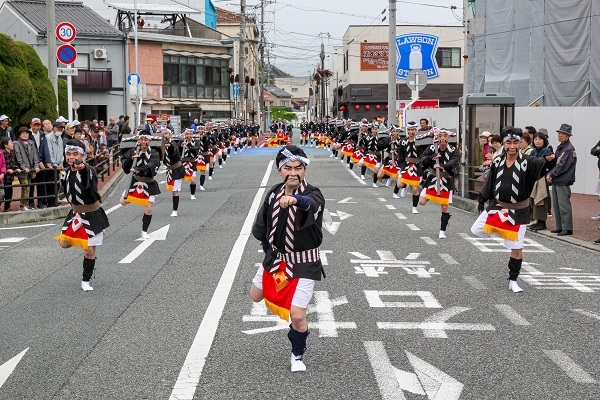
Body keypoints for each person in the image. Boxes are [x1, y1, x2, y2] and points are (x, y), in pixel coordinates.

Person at [249, 145, 325, 373]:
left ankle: (297, 355)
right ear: (280, 171)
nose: (293, 172)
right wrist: (265, 246)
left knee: (298, 316)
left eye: (298, 168)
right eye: (288, 168)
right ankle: (281, 298)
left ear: (305, 170)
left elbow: (311, 205)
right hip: (276, 259)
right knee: (255, 296)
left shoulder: (313, 193)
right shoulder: (273, 192)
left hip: (304, 262)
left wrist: (294, 200)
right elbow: (263, 224)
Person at [471, 127, 550, 293]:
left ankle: (513, 280)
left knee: (516, 249)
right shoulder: (498, 160)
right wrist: (481, 199)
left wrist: (551, 160)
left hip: (518, 211)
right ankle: (502, 230)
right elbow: (490, 182)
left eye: (516, 142)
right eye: (509, 142)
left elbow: (544, 166)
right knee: (476, 230)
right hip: (498, 207)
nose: (512, 146)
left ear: (520, 143)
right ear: (504, 144)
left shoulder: (528, 161)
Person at [54, 139, 110, 291]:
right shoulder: (65, 173)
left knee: (89, 250)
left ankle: (85, 280)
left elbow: (88, 182)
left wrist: (83, 168)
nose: (72, 157)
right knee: (64, 243)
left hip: (92, 214)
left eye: (75, 154)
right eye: (69, 154)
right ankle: (77, 237)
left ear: (83, 155)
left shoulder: (89, 169)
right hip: (75, 213)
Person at [119, 128, 161, 239]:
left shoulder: (154, 152)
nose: (143, 142)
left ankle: (144, 231)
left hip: (148, 182)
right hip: (136, 181)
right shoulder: (133, 151)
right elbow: (125, 163)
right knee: (122, 202)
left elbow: (153, 164)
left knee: (148, 208)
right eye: (141, 139)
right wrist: (130, 160)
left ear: (149, 141)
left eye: (145, 140)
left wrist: (139, 169)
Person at [419, 128, 460, 238]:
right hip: (433, 178)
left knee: (445, 207)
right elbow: (423, 158)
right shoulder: (432, 148)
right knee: (421, 202)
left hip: (446, 180)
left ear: (448, 137)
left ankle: (442, 230)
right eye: (440, 136)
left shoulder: (453, 150)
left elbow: (454, 162)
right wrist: (432, 158)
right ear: (437, 137)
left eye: (445, 136)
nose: (442, 138)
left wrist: (443, 166)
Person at [546, 123, 577, 236]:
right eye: (559, 133)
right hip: (558, 179)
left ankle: (567, 228)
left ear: (568, 136)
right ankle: (560, 226)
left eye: (563, 133)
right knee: (557, 205)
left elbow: (562, 165)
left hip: (563, 179)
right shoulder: (562, 147)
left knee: (564, 205)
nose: (560, 135)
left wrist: (551, 174)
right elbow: (558, 163)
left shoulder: (568, 148)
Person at [393, 121, 422, 214]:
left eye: (412, 130)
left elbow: (425, 154)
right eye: (409, 130)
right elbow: (401, 156)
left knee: (415, 189)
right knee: (399, 185)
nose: (411, 132)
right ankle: (405, 185)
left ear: (416, 130)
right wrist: (401, 166)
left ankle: (414, 207)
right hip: (406, 165)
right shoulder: (403, 141)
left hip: (417, 167)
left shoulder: (420, 141)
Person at [528, 133, 555, 232]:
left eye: (540, 139)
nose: (537, 141)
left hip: (542, 178)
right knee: (534, 200)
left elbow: (548, 162)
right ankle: (537, 221)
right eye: (535, 139)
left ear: (544, 140)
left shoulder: (546, 151)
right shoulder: (533, 151)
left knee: (541, 200)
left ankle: (542, 222)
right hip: (534, 179)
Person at [13, 127, 40, 211]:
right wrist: (24, 167)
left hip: (31, 169)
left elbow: (35, 155)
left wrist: (36, 165)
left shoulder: (31, 142)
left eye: (27, 133)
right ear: (19, 135)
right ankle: (23, 205)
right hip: (22, 170)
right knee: (26, 187)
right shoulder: (16, 143)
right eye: (23, 133)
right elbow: (18, 157)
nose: (25, 135)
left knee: (28, 187)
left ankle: (25, 205)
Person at [29, 118, 52, 209]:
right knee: (31, 185)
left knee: (41, 184)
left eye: (38, 125)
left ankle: (41, 203)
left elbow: (45, 149)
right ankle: (31, 203)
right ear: (31, 125)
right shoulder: (28, 134)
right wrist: (38, 161)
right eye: (35, 125)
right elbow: (31, 151)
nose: (36, 127)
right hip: (31, 163)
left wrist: (48, 162)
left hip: (42, 163)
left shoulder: (42, 134)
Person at [162, 127, 185, 217]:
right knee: (172, 191)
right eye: (163, 134)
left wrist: (167, 145)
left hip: (177, 170)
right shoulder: (161, 144)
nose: (164, 136)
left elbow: (173, 149)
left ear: (170, 134)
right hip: (169, 170)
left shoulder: (173, 143)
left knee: (175, 191)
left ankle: (175, 210)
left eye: (166, 134)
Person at [46, 122, 64, 207]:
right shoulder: (48, 137)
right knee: (51, 184)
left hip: (58, 165)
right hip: (51, 166)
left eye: (61, 129)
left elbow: (61, 152)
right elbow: (49, 152)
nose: (60, 130)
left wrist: (61, 163)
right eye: (58, 128)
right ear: (54, 128)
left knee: (57, 183)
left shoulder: (60, 137)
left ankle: (55, 200)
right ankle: (51, 203)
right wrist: (54, 164)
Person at [1, 137, 19, 211]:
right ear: (5, 145)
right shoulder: (2, 152)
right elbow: (3, 163)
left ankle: (7, 206)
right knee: (3, 192)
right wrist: (7, 169)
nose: (12, 144)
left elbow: (14, 162)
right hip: (3, 176)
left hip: (10, 176)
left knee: (9, 192)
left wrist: (16, 168)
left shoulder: (12, 152)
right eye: (10, 142)